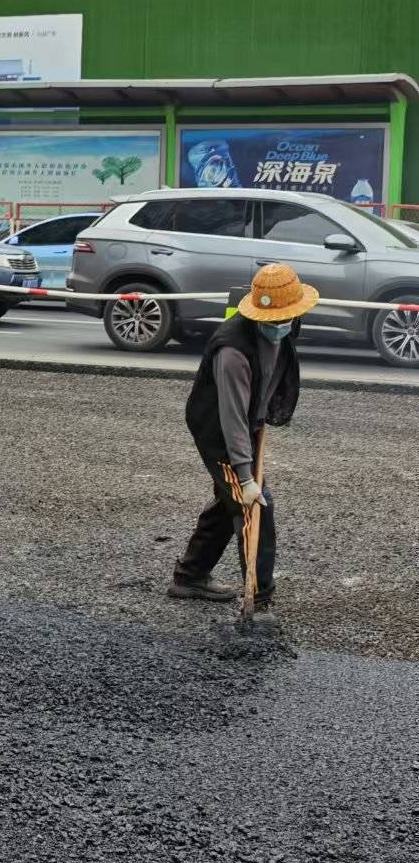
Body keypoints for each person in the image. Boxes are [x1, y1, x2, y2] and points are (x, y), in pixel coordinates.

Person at [170, 262, 317, 627]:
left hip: (247, 421)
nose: (283, 325)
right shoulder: (232, 351)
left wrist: (263, 415)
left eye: (287, 317)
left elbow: (271, 377)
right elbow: (231, 417)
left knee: (229, 501)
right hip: (218, 430)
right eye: (276, 320)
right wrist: (245, 475)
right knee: (254, 508)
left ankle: (189, 578)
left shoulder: (283, 328)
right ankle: (260, 599)